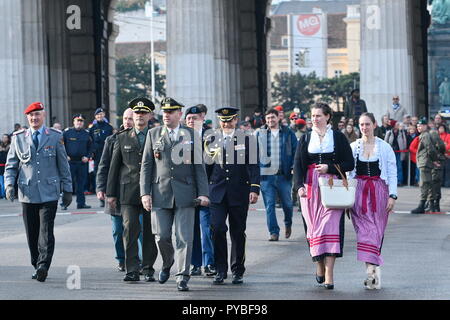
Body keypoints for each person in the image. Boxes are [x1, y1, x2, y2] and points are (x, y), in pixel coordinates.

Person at [140, 97, 209, 292]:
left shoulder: (191, 134)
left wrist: (203, 193)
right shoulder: (153, 134)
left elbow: (199, 167)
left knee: (184, 237)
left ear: (180, 114)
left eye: (171, 112)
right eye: (165, 112)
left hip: (186, 193)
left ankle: (182, 275)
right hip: (160, 193)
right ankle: (168, 262)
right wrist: (145, 193)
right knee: (161, 236)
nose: (167, 115)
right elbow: (146, 166)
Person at [4, 102, 72, 282]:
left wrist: (67, 189)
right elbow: (11, 165)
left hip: (49, 191)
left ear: (44, 116)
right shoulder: (18, 138)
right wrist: (9, 185)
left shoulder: (55, 136)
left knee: (46, 231)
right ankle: (36, 262)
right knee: (32, 233)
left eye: (38, 115)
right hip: (27, 192)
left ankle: (43, 264)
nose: (34, 118)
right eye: (31, 116)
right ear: (27, 118)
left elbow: (63, 165)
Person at [293, 102, 354, 290]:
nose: (314, 119)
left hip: (332, 188)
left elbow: (349, 163)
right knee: (313, 229)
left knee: (330, 227)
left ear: (327, 117)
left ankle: (329, 274)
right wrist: (298, 187)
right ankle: (318, 263)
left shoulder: (338, 137)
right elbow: (298, 164)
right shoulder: (305, 138)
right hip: (310, 187)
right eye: (312, 116)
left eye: (318, 115)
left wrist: (330, 168)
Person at [204, 106, 260, 285]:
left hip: (238, 191)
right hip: (217, 192)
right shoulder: (211, 139)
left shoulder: (247, 139)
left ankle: (237, 269)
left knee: (237, 232)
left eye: (229, 120)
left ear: (236, 120)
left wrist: (254, 188)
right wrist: (203, 191)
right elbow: (207, 167)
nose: (226, 123)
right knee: (218, 229)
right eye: (223, 120)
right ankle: (220, 270)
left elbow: (253, 165)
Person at [106, 98, 159, 282]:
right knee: (129, 231)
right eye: (137, 113)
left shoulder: (157, 136)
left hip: (151, 191)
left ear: (150, 115)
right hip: (127, 192)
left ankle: (148, 268)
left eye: (144, 113)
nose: (140, 117)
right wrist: (111, 194)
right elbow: (114, 168)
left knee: (150, 232)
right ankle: (132, 269)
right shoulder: (122, 137)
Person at [348, 112, 397, 290]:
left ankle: (373, 271)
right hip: (359, 193)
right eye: (361, 124)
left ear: (374, 125)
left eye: (367, 124)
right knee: (364, 232)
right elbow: (347, 173)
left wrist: (393, 195)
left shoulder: (384, 147)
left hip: (379, 192)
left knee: (376, 232)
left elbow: (392, 172)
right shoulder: (353, 147)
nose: (364, 127)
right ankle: (370, 271)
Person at [96, 108, 135, 272]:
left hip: (134, 192)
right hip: (115, 191)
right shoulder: (111, 140)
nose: (127, 121)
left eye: (130, 119)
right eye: (125, 118)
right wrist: (100, 187)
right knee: (117, 230)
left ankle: (137, 261)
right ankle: (121, 259)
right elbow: (103, 165)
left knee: (136, 230)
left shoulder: (144, 139)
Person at [184, 105, 216, 277]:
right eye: (188, 118)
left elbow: (216, 165)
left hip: (207, 189)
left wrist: (210, 190)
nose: (191, 121)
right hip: (188, 191)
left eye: (194, 118)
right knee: (192, 229)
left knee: (206, 228)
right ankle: (195, 264)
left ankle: (209, 262)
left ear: (202, 119)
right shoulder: (181, 137)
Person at [256, 108, 297, 241]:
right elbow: (254, 154)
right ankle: (274, 232)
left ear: (278, 118)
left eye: (272, 117)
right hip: (266, 176)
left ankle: (288, 223)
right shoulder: (260, 134)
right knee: (269, 205)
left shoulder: (288, 133)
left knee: (288, 204)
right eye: (268, 118)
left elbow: (296, 151)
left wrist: (293, 167)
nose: (270, 120)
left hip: (283, 175)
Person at [411, 118, 444, 213]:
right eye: (417, 126)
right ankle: (432, 204)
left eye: (420, 126)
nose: (418, 127)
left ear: (425, 126)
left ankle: (422, 205)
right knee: (429, 183)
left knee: (424, 184)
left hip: (424, 162)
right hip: (426, 162)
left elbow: (430, 148)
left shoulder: (425, 135)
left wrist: (435, 160)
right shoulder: (426, 135)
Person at [62, 114, 93, 209]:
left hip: (82, 162)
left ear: (83, 123)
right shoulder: (67, 133)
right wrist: (65, 155)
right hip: (70, 162)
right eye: (77, 120)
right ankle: (64, 203)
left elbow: (91, 147)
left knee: (81, 184)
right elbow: (61, 146)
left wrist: (87, 157)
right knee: (68, 184)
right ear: (74, 122)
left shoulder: (87, 133)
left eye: (81, 121)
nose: (79, 122)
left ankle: (81, 203)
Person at [89, 108, 113, 205]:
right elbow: (90, 142)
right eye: (98, 115)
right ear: (95, 117)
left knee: (108, 174)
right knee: (98, 175)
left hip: (107, 154)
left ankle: (108, 194)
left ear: (104, 115)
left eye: (101, 114)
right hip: (97, 155)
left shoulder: (109, 127)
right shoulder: (92, 128)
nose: (100, 116)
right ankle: (100, 197)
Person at [0, 134, 11, 198]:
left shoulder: (8, 148)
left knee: (4, 182)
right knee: (1, 183)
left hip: (5, 167)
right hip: (1, 168)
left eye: (5, 137)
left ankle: (5, 195)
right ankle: (3, 195)